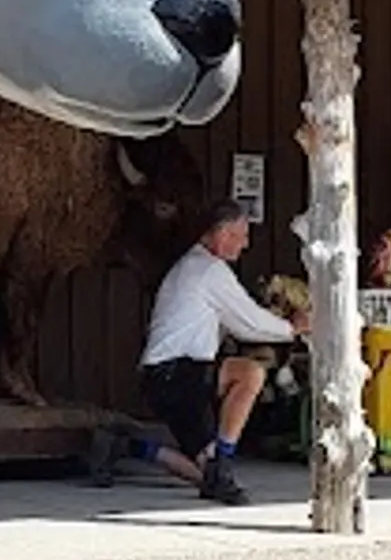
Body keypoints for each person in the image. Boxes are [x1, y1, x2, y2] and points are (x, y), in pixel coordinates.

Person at [93, 199, 304, 505]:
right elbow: (249, 323)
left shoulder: (194, 265)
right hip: (175, 373)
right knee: (251, 374)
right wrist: (293, 328)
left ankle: (129, 447)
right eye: (240, 235)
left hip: (162, 379)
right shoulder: (208, 270)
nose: (245, 245)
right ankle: (224, 460)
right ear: (220, 234)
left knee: (206, 478)